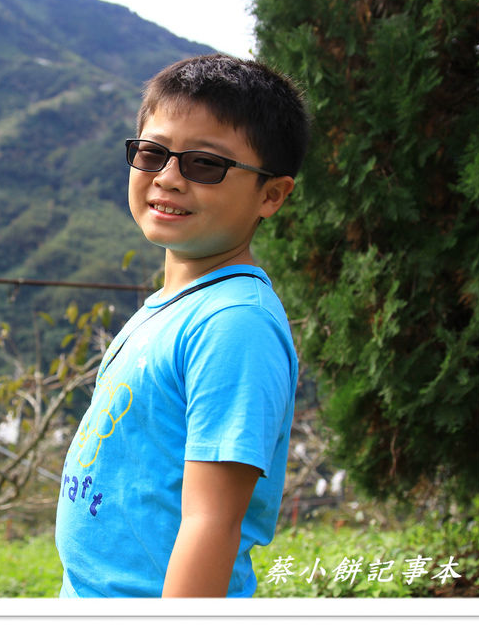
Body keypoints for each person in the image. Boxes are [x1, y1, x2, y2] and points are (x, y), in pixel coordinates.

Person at [54, 53, 310, 598]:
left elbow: (210, 521)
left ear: (271, 194)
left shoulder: (234, 324)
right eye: (152, 154)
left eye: (205, 164)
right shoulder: (173, 306)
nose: (168, 178)